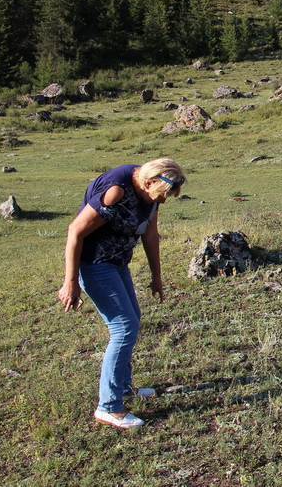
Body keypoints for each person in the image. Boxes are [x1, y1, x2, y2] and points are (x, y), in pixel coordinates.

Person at [58, 158, 186, 429]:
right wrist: (71, 281)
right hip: (94, 264)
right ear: (149, 182)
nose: (162, 202)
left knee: (133, 319)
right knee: (124, 327)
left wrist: (157, 277)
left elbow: (151, 235)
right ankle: (109, 407)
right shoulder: (115, 191)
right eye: (161, 195)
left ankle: (123, 387)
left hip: (117, 262)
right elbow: (75, 231)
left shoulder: (150, 192)